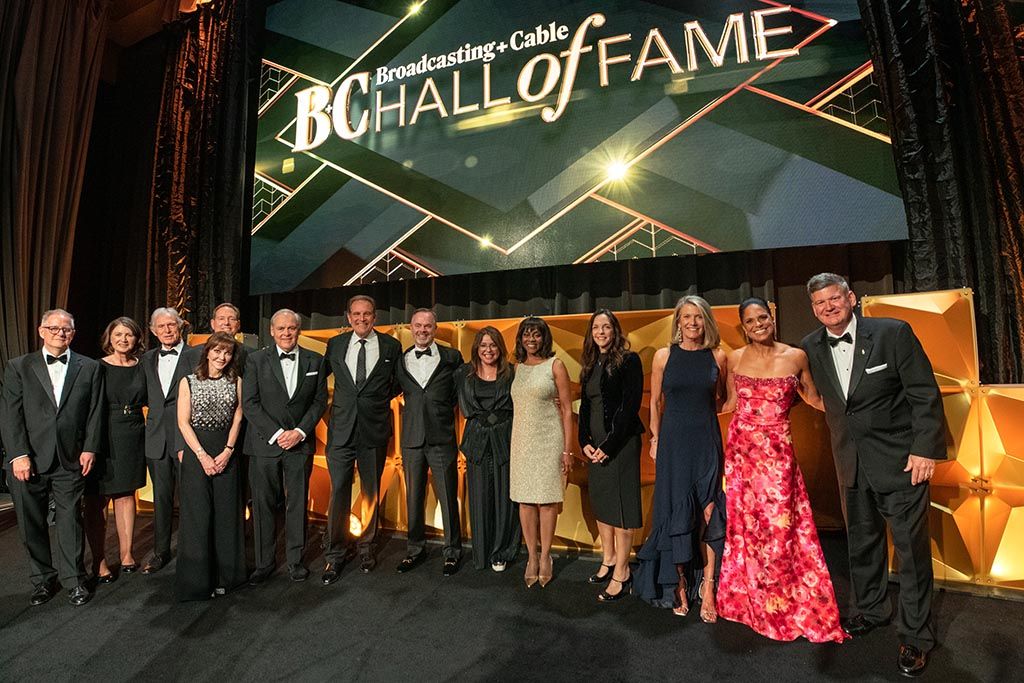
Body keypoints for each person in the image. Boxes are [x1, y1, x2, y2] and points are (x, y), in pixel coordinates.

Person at [800, 273, 945, 675]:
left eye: (834, 299)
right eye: (819, 304)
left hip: (901, 463)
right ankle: (871, 609)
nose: (828, 307)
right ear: (812, 309)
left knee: (912, 555)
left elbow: (923, 392)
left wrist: (924, 450)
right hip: (850, 463)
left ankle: (916, 637)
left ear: (851, 298)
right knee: (861, 545)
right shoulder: (811, 345)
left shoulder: (892, 333)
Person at [716, 297, 847, 643]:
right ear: (742, 326)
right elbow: (729, 403)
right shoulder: (732, 359)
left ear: (771, 317)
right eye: (750, 320)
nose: (758, 324)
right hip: (742, 457)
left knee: (780, 531)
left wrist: (856, 418)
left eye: (763, 317)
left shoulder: (795, 356)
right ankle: (751, 600)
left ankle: (783, 603)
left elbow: (814, 398)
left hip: (777, 459)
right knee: (745, 529)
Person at [1, 309, 104, 606]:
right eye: (54, 328)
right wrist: (18, 454)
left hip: (70, 457)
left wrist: (90, 448)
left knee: (71, 520)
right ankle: (43, 580)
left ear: (73, 333)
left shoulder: (90, 367)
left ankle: (74, 580)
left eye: (67, 329)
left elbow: (95, 412)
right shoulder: (18, 366)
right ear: (41, 331)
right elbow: (10, 416)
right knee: (31, 523)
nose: (61, 333)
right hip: (27, 459)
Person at [635, 295, 727, 620]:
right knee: (675, 512)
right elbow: (656, 403)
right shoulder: (663, 356)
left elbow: (721, 401)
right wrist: (655, 439)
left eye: (698, 317)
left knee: (709, 512)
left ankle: (709, 588)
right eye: (686, 317)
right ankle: (679, 581)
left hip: (706, 442)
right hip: (673, 444)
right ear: (678, 321)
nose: (692, 323)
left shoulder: (718, 356)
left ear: (706, 321)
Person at [319, 294, 402, 582]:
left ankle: (367, 546)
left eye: (367, 314)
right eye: (356, 314)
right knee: (339, 490)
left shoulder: (391, 345)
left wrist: (374, 402)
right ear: (348, 316)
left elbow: (397, 384)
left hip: (373, 429)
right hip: (341, 431)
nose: (361, 319)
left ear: (374, 316)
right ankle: (334, 554)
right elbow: (318, 381)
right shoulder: (336, 344)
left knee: (370, 491)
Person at [242, 309, 327, 584]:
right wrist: (278, 433)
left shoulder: (316, 360)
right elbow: (250, 403)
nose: (287, 333)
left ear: (299, 330)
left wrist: (300, 432)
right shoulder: (255, 360)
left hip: (299, 445)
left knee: (297, 504)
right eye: (281, 329)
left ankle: (295, 560)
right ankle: (264, 563)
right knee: (263, 506)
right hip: (264, 445)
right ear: (272, 331)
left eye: (291, 328)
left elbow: (319, 401)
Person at [577, 309, 644, 602]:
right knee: (603, 503)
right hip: (596, 448)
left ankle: (622, 570)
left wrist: (609, 444)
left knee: (621, 507)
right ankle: (608, 558)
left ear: (615, 331)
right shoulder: (590, 363)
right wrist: (585, 441)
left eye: (606, 327)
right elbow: (587, 407)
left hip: (622, 445)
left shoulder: (629, 360)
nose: (601, 332)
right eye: (596, 328)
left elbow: (629, 407)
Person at [175, 332, 246, 600]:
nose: (221, 357)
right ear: (207, 352)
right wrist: (203, 456)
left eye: (227, 353)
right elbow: (183, 422)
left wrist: (228, 451)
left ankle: (228, 578)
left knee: (227, 516)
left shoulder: (236, 381)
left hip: (226, 451)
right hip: (197, 453)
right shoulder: (188, 381)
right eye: (217, 351)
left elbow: (238, 416)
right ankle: (197, 583)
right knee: (197, 516)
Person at [394, 309, 465, 576]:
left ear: (435, 329)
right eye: (418, 326)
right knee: (414, 497)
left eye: (428, 326)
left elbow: (460, 394)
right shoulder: (400, 360)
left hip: (441, 438)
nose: (423, 330)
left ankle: (452, 552)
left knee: (448, 496)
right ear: (411, 328)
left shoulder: (451, 357)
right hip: (411, 439)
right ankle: (415, 550)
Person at [509, 316, 574, 588]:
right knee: (525, 501)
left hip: (549, 441)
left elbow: (568, 410)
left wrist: (568, 451)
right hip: (521, 441)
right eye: (526, 335)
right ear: (521, 339)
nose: (531, 340)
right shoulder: (515, 368)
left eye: (536, 335)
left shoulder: (555, 365)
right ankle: (531, 557)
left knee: (547, 502)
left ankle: (546, 555)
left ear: (544, 338)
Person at [83, 317, 148, 583]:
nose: (123, 339)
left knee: (125, 495)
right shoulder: (95, 367)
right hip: (102, 434)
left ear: (136, 339)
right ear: (109, 338)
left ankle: (126, 554)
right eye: (118, 334)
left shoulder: (141, 367)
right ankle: (99, 560)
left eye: (129, 335)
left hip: (133, 434)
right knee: (97, 499)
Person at [457, 327, 520, 572]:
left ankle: (501, 552)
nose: (488, 350)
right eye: (483, 345)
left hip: (505, 440)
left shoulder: (512, 373)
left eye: (493, 345)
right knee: (480, 497)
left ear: (500, 348)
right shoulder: (464, 373)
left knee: (505, 499)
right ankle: (482, 552)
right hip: (476, 442)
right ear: (476, 348)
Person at [140, 307, 194, 574]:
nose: (167, 330)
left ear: (181, 326)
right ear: (153, 330)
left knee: (190, 498)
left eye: (171, 325)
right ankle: (160, 552)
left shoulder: (196, 356)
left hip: (187, 439)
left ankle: (190, 551)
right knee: (160, 499)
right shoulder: (146, 359)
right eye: (161, 327)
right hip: (156, 439)